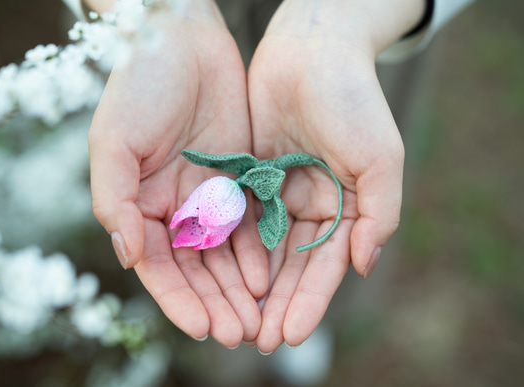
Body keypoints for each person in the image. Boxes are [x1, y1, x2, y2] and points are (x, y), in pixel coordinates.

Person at [65, 0, 474, 354]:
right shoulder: (231, 186)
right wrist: (160, 12)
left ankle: (317, 329)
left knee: (346, 196)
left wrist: (340, 18)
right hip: (182, 38)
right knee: (203, 264)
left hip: (365, 21)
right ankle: (230, 353)